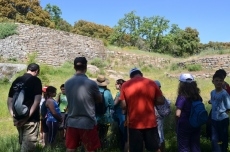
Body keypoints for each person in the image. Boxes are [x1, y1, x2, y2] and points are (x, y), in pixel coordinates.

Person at [120, 68, 164, 152]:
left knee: (136, 149)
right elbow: (161, 100)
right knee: (155, 148)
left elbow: (123, 105)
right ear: (141, 74)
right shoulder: (151, 83)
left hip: (134, 124)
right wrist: (150, 101)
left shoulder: (125, 85)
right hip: (150, 122)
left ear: (130, 76)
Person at [65, 57, 102, 152]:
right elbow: (99, 99)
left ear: (74, 67)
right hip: (87, 122)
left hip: (72, 121)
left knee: (71, 149)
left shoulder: (67, 83)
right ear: (86, 67)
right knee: (90, 149)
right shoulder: (91, 83)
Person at [7, 63, 42, 152]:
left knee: (23, 145)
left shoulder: (17, 80)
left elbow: (9, 101)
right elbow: (37, 101)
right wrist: (27, 118)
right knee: (28, 149)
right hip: (31, 120)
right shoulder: (36, 80)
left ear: (27, 69)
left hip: (18, 118)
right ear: (37, 71)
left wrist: (14, 116)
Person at [175, 73, 203, 152]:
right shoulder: (197, 96)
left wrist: (176, 123)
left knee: (184, 147)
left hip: (184, 125)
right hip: (196, 124)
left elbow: (177, 114)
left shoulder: (182, 96)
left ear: (182, 84)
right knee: (195, 145)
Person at [209, 72, 230, 152]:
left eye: (221, 80)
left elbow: (228, 107)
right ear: (213, 81)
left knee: (223, 138)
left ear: (223, 82)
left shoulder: (225, 94)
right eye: (216, 80)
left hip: (223, 119)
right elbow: (212, 101)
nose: (219, 82)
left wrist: (223, 112)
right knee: (214, 138)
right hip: (214, 119)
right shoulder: (212, 92)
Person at [95, 75, 114, 149]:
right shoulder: (107, 93)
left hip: (95, 118)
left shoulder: (94, 92)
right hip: (105, 117)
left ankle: (95, 148)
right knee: (103, 134)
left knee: (95, 134)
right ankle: (102, 148)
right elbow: (112, 105)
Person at [154, 80, 171, 152]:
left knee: (158, 136)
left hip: (157, 117)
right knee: (161, 135)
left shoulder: (156, 95)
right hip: (160, 117)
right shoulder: (160, 94)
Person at [113, 79, 126, 151]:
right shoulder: (123, 92)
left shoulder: (120, 93)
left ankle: (124, 147)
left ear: (120, 85)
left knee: (123, 131)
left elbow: (115, 104)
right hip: (121, 114)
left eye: (116, 84)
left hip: (121, 114)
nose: (115, 85)